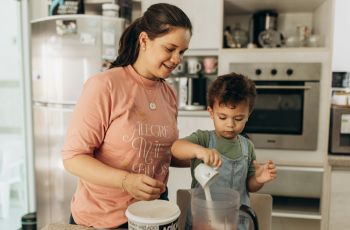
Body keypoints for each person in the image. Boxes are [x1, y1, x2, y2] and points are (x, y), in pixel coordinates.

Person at [61, 3, 192, 228]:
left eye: (182, 52)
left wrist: (209, 153)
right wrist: (126, 181)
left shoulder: (169, 94)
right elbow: (73, 158)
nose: (177, 59)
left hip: (153, 213)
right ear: (144, 41)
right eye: (170, 49)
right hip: (103, 219)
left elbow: (161, 152)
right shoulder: (105, 85)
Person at [171, 73, 277, 229]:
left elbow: (249, 186)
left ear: (249, 115)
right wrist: (199, 151)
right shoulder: (203, 139)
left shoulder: (247, 146)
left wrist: (259, 179)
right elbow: (176, 148)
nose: (230, 124)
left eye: (238, 118)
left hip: (236, 222)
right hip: (202, 221)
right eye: (222, 117)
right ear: (211, 112)